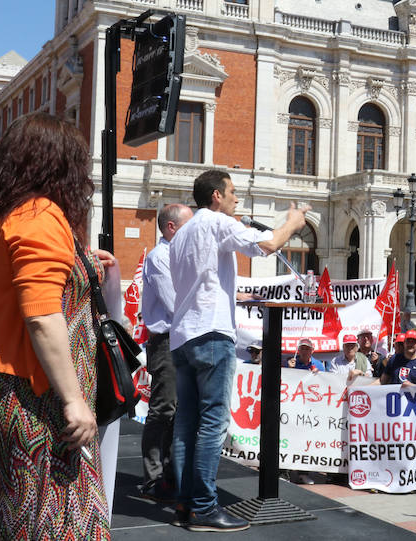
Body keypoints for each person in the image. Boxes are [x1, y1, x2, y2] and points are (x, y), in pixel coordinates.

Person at [0, 114, 111, 538]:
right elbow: (43, 317)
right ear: (60, 165)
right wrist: (74, 400)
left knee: (8, 511)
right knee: (49, 516)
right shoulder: (40, 217)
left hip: (6, 385)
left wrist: (81, 260)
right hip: (34, 394)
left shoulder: (14, 214)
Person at [169, 170, 308, 532]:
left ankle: (185, 506)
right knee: (212, 424)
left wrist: (234, 295)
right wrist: (291, 224)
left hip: (183, 336)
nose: (236, 199)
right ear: (216, 196)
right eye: (232, 192)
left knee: (186, 424)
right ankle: (204, 507)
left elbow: (202, 280)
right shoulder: (217, 222)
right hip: (212, 335)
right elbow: (268, 246)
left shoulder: (181, 233)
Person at [139, 203, 193, 503]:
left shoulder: (180, 257)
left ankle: (170, 473)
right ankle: (153, 476)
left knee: (178, 409)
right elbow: (176, 303)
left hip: (182, 338)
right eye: (188, 225)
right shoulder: (160, 258)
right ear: (171, 227)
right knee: (163, 409)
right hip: (166, 340)